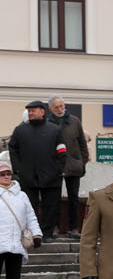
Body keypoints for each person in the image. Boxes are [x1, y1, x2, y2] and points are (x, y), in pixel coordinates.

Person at [8, 100, 64, 238]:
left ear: (42, 112)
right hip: (27, 176)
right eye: (29, 111)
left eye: (33, 110)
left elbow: (62, 151)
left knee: (50, 206)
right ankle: (34, 233)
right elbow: (13, 149)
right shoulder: (20, 130)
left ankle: (47, 234)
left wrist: (58, 169)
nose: (30, 113)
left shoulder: (55, 130)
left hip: (51, 176)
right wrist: (18, 169)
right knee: (29, 206)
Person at [0, 154, 42, 279]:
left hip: (16, 242)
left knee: (14, 276)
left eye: (8, 174)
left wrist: (37, 234)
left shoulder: (22, 195)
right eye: (2, 174)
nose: (6, 177)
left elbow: (31, 216)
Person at [47, 97, 88, 236]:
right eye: (56, 107)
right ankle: (54, 227)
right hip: (54, 166)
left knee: (74, 198)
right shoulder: (47, 123)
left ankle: (73, 228)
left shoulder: (75, 121)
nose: (60, 109)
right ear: (50, 108)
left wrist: (82, 162)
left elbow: (82, 143)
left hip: (73, 165)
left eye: (62, 106)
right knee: (54, 198)